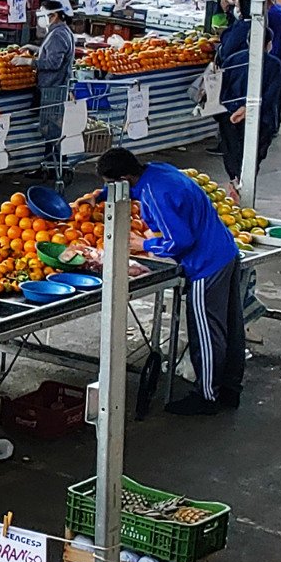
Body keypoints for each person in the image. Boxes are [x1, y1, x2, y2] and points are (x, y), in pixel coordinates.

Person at [98, 147, 242, 415]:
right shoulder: (157, 172)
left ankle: (207, 396)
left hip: (205, 264)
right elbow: (131, 188)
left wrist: (145, 243)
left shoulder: (157, 194)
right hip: (224, 250)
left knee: (207, 333)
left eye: (110, 184)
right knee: (228, 326)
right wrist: (101, 196)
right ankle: (230, 389)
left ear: (125, 179)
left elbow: (180, 241)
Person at [213, 10, 281, 199]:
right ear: (268, 44)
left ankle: (236, 183)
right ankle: (242, 189)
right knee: (252, 158)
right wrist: (250, 108)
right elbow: (272, 95)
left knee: (232, 152)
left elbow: (221, 90)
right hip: (261, 119)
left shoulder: (232, 60)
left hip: (230, 116)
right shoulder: (274, 64)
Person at [30, 2, 77, 182]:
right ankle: (50, 166)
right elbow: (52, 55)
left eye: (43, 14)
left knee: (52, 132)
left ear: (54, 15)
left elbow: (53, 63)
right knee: (52, 132)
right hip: (56, 87)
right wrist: (36, 50)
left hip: (52, 88)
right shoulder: (62, 32)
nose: (40, 18)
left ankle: (55, 168)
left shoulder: (58, 35)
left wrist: (30, 63)